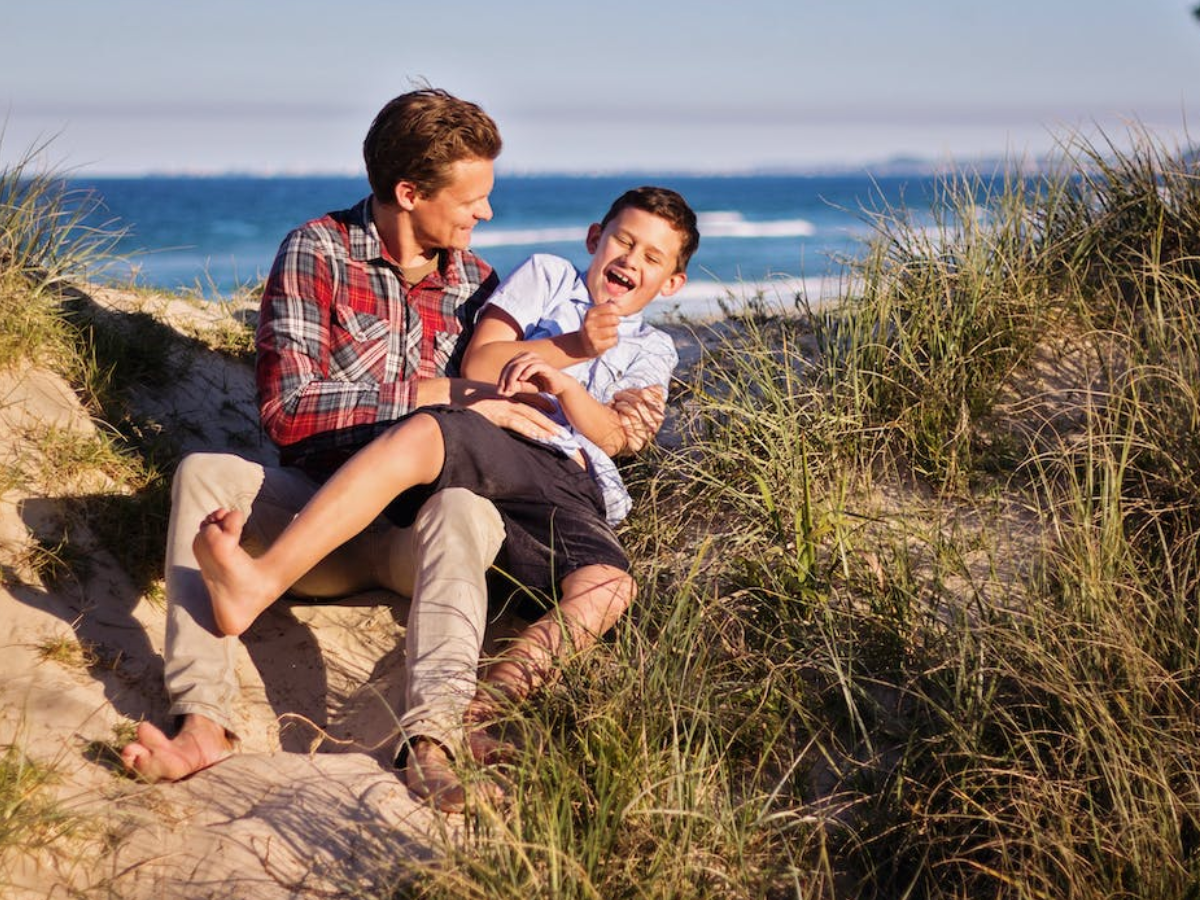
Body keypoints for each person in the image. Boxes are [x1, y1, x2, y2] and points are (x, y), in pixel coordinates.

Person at [118, 88, 668, 808]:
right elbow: (289, 413)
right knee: (203, 474)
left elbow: (511, 407)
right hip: (319, 518)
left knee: (465, 512)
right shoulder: (317, 252)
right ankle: (202, 721)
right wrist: (440, 395)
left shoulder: (477, 286)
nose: (485, 214)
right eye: (472, 199)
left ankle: (432, 739)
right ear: (410, 192)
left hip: (417, 538)